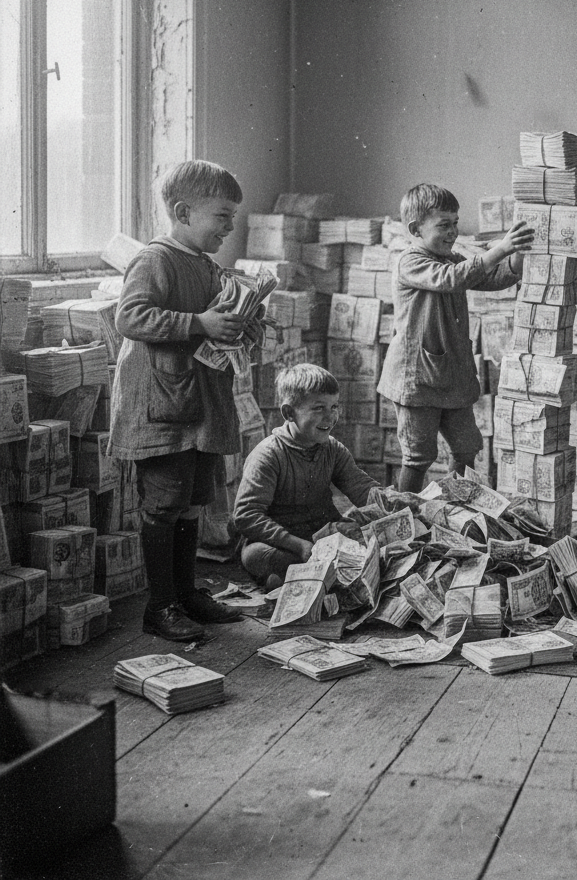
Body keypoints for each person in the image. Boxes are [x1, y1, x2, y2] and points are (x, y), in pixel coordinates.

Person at [108, 159, 249, 641]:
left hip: (198, 407)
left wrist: (239, 325)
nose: (230, 227)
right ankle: (160, 606)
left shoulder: (206, 266)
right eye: (223, 216)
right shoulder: (155, 260)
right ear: (184, 212)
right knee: (164, 505)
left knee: (192, 502)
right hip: (162, 410)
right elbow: (130, 318)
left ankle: (187, 595)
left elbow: (214, 320)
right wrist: (199, 324)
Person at [377, 183, 533, 494]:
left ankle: (458, 508)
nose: (453, 232)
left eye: (455, 223)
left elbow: (490, 278)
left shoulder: (450, 257)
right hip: (417, 380)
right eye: (443, 225)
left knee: (466, 447)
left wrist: (516, 255)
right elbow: (452, 279)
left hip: (452, 377)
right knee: (419, 455)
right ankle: (404, 514)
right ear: (415, 229)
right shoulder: (410, 261)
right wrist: (500, 249)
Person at [235, 363, 383, 591]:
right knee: (254, 555)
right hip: (284, 543)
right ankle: (293, 575)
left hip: (323, 536)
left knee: (370, 537)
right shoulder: (268, 454)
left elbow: (361, 487)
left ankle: (296, 578)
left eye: (334, 406)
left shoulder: (333, 449)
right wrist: (297, 545)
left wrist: (395, 504)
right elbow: (246, 515)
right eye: (318, 408)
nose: (330, 416)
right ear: (289, 413)